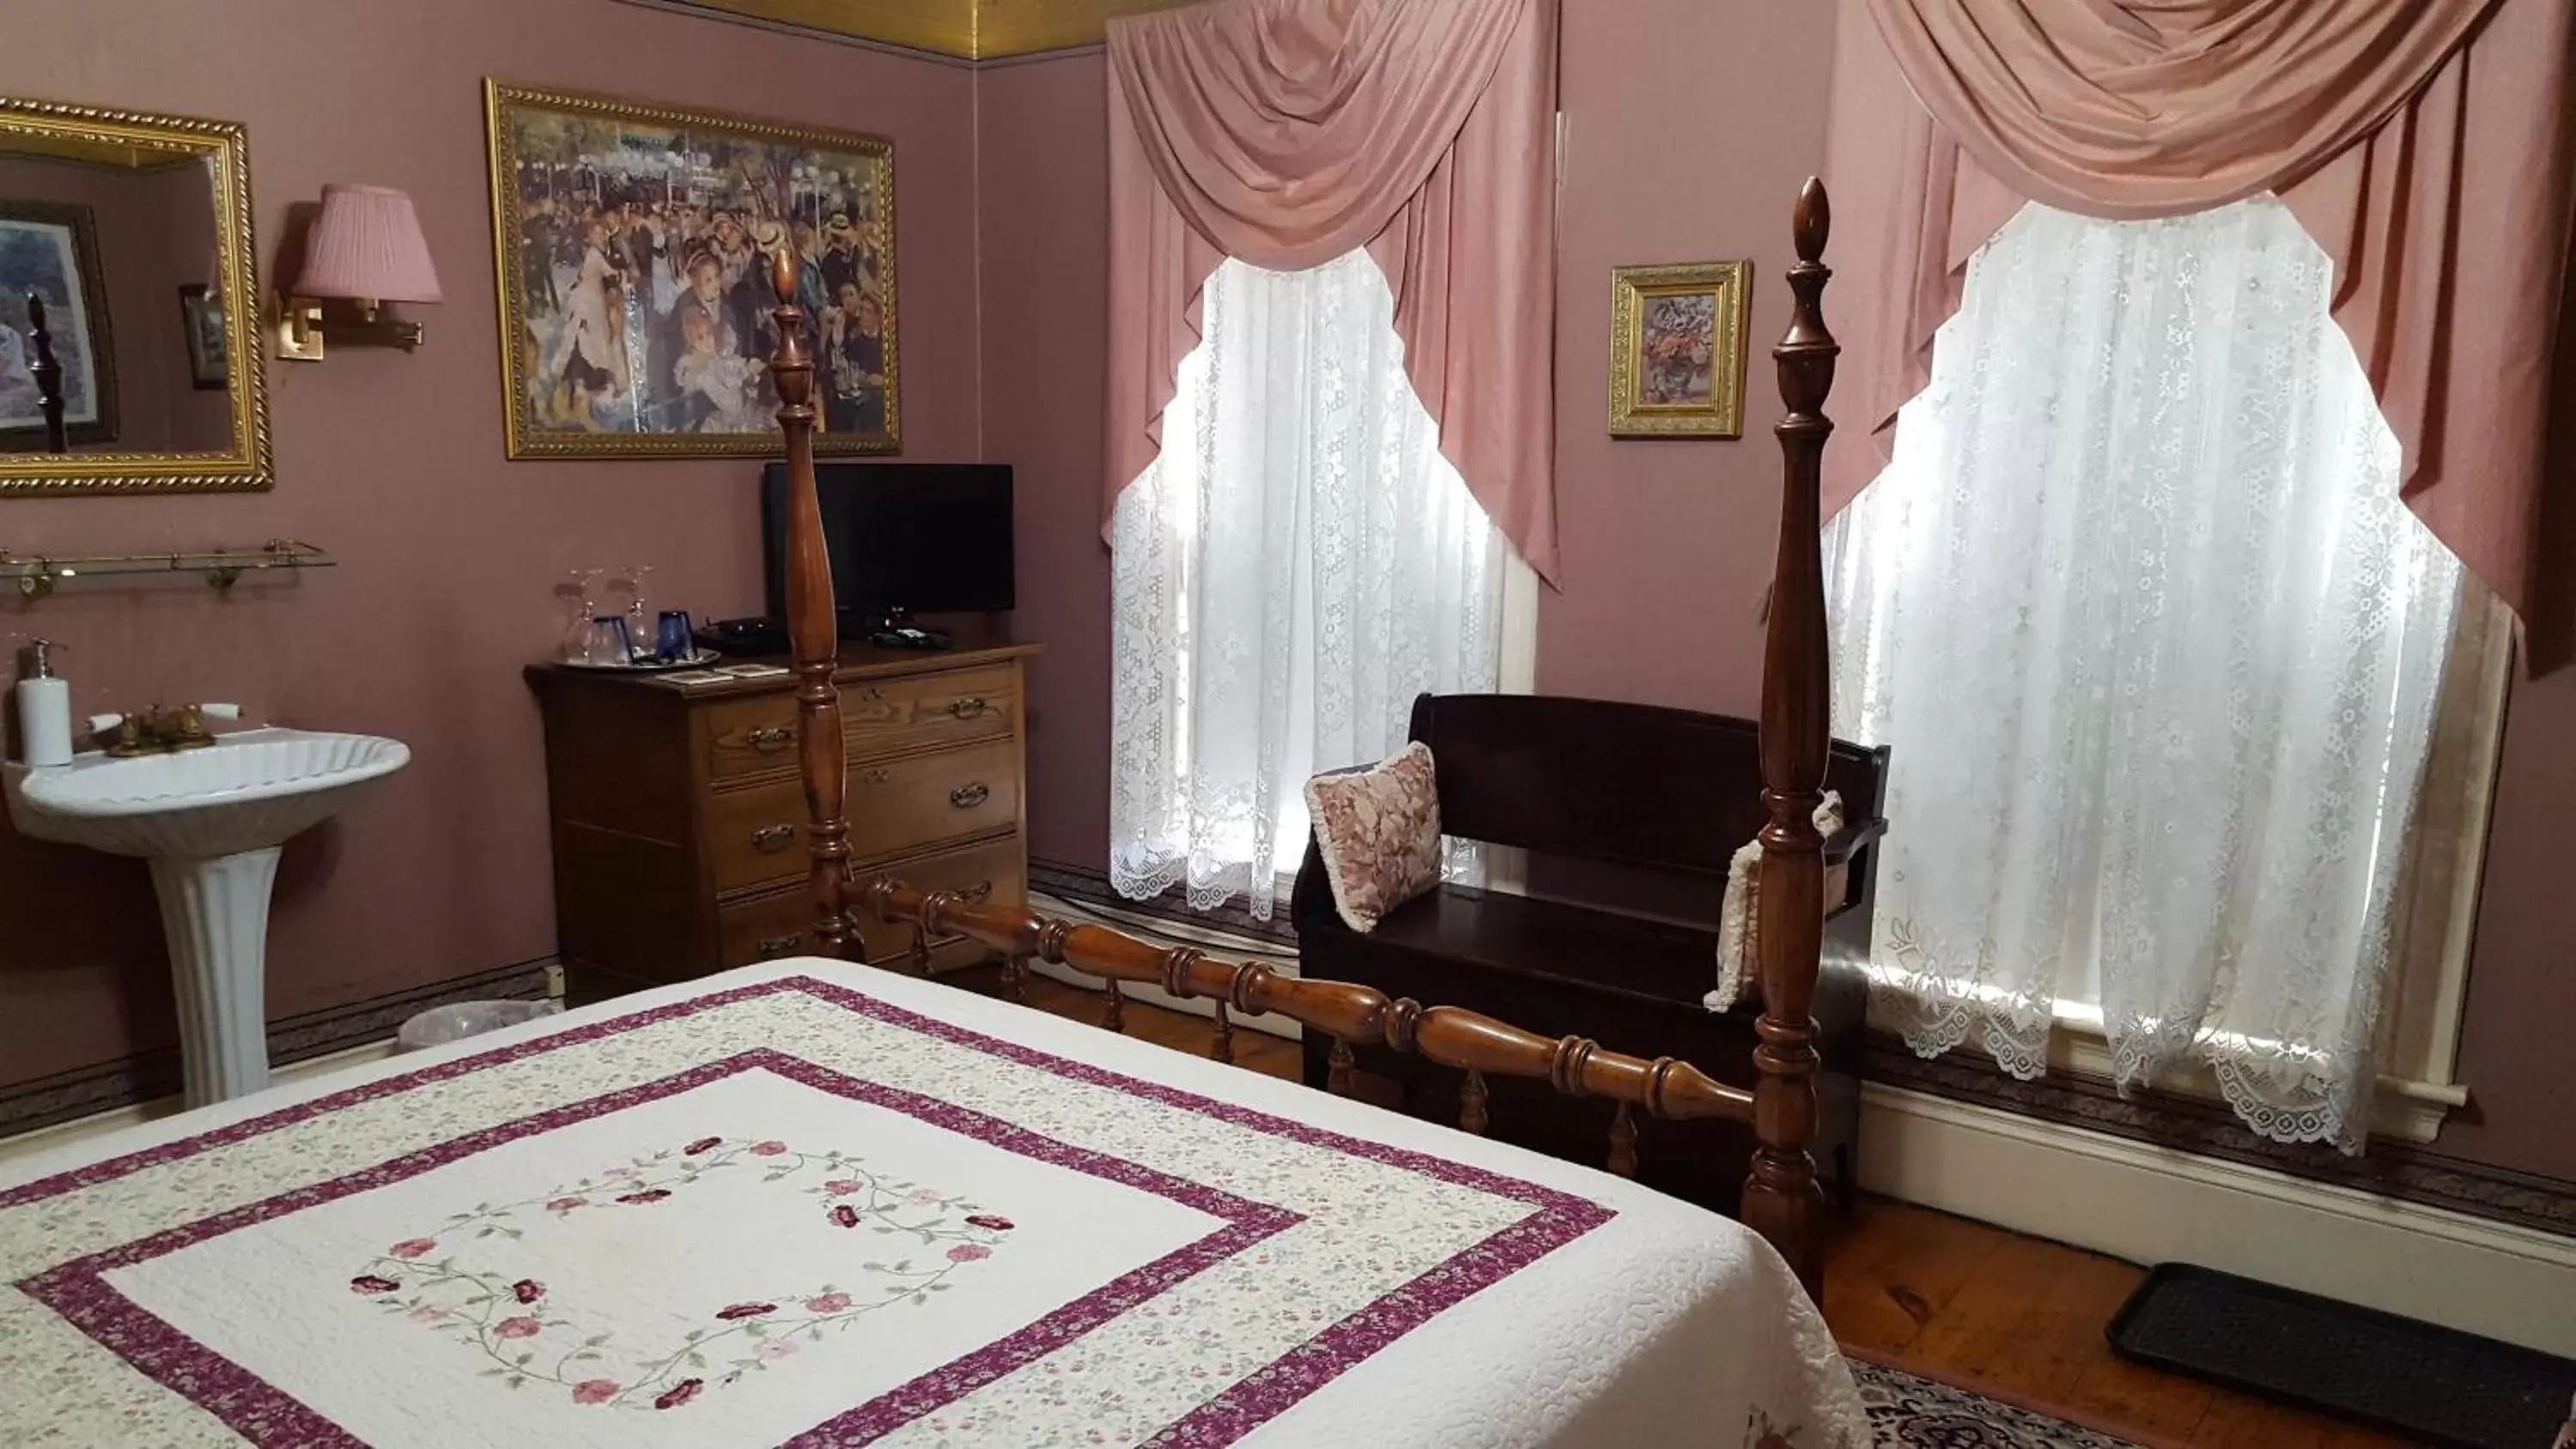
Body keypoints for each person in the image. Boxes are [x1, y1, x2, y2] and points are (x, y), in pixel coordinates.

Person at [823, 279, 886, 436]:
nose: (863, 315)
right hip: (859, 394)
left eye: (868, 312)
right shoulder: (855, 341)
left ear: (878, 317)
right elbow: (848, 367)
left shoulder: (886, 342)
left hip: (880, 396)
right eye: (862, 310)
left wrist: (885, 381)